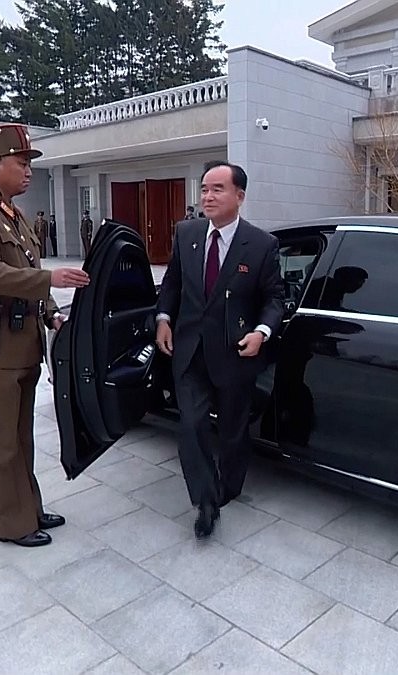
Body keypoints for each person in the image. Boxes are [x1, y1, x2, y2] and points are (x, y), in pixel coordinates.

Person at [0, 123, 90, 548]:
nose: (28, 172)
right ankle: (12, 523)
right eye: (21, 163)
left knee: (19, 437)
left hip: (20, 343)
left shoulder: (14, 213)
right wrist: (49, 280)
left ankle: (28, 506)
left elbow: (23, 270)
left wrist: (51, 315)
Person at [155, 160, 284, 539]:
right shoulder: (187, 234)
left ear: (239, 197)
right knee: (192, 425)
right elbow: (173, 284)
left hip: (235, 353)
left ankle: (228, 487)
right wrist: (163, 318)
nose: (208, 197)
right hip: (190, 350)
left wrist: (262, 331)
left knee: (232, 431)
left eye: (217, 189)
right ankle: (205, 503)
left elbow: (275, 299)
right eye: (205, 189)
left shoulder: (261, 245)